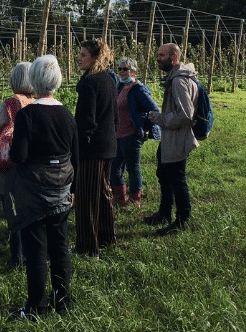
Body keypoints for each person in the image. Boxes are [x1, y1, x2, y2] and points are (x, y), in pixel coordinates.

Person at [8, 55, 78, 320]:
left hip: (34, 191)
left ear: (34, 80)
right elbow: (76, 155)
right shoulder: (67, 114)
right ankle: (63, 301)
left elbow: (19, 156)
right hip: (62, 187)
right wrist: (74, 189)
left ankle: (37, 306)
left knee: (36, 250)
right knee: (60, 246)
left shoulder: (28, 115)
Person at [145, 43, 199, 236]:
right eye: (157, 54)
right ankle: (164, 213)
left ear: (174, 57)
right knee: (164, 174)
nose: (158, 58)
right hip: (170, 138)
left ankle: (182, 220)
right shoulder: (177, 78)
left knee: (177, 179)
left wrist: (160, 118)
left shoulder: (178, 81)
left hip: (177, 138)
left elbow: (185, 114)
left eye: (161, 55)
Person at [0, 62, 35, 267]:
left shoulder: (10, 103)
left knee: (12, 208)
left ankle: (18, 256)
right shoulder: (36, 102)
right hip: (30, 160)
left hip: (10, 161)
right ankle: (33, 252)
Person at [74, 38, 118, 256]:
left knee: (86, 199)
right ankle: (107, 237)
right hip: (109, 145)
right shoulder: (109, 80)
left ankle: (87, 247)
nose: (79, 58)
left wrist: (78, 146)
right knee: (103, 193)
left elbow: (86, 122)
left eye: (83, 55)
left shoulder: (91, 83)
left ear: (95, 58)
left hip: (92, 149)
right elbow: (114, 116)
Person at [111, 57, 161, 208]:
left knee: (133, 168)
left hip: (131, 135)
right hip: (117, 134)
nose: (121, 71)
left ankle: (134, 199)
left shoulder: (138, 90)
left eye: (125, 69)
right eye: (119, 68)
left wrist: (145, 127)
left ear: (133, 71)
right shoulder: (119, 87)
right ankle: (119, 197)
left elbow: (154, 109)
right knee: (115, 167)